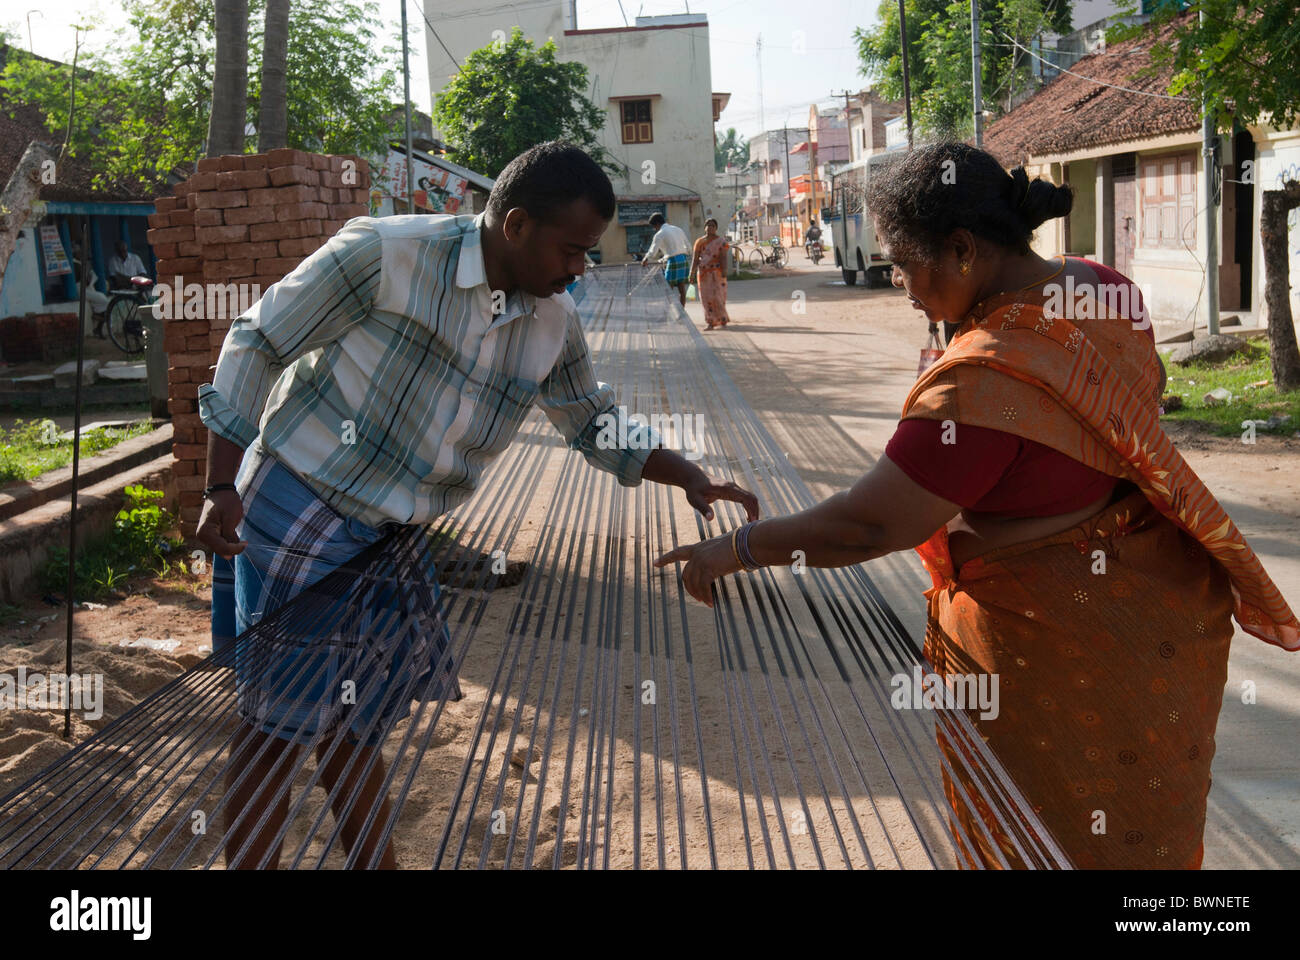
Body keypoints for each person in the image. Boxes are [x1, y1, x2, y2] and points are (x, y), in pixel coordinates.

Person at [654, 142, 1298, 870]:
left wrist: (738, 548)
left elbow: (874, 522)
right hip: (1160, 611)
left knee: (1044, 840)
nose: (899, 286)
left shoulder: (985, 379)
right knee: (1136, 835)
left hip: (1060, 648)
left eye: (905, 264)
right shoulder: (1103, 286)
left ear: (962, 249)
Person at [197, 141, 760, 869]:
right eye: (572, 250)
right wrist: (218, 485)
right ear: (517, 224)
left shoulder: (552, 320)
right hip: (303, 505)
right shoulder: (388, 255)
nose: (579, 269)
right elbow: (258, 339)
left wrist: (686, 473)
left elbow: (590, 418)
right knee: (275, 729)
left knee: (353, 722)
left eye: (590, 253)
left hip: (391, 536)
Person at [688, 217, 731, 330]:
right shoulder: (699, 242)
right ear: (704, 228)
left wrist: (724, 270)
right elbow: (695, 258)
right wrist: (691, 273)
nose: (709, 227)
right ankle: (710, 322)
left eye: (712, 225)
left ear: (716, 228)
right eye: (707, 225)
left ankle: (722, 319)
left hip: (717, 273)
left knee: (718, 297)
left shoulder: (721, 242)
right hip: (703, 274)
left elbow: (723, 257)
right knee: (706, 298)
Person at [642, 212, 691, 306]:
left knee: (668, 289)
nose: (654, 229)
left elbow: (653, 251)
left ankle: (670, 312)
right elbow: (688, 246)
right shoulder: (678, 229)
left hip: (673, 261)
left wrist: (646, 258)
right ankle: (682, 313)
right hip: (683, 260)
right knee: (682, 289)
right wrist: (689, 253)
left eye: (654, 227)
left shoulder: (660, 234)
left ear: (657, 224)